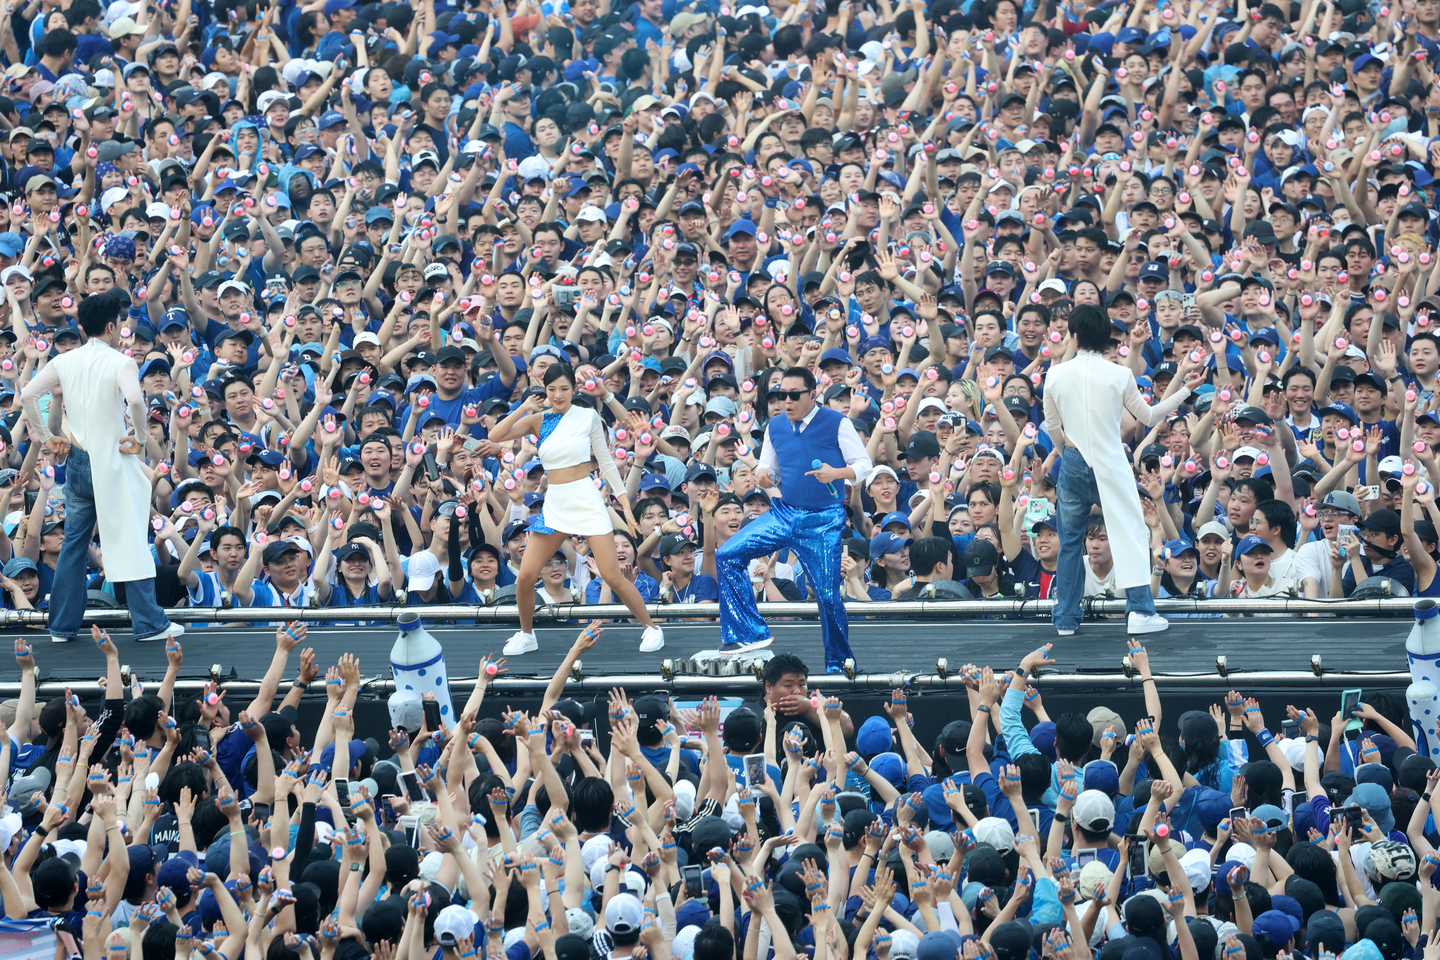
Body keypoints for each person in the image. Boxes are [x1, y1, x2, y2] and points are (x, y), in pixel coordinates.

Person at [19, 289, 180, 644]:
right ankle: (149, 624)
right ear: (111, 326)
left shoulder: (64, 360)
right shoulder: (120, 362)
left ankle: (61, 626)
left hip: (78, 459)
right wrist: (139, 437)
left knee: (74, 544)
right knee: (131, 540)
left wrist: (47, 436)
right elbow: (137, 400)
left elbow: (27, 394)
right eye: (120, 321)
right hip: (113, 462)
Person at [1043, 305, 1201, 636]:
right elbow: (1149, 416)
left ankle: (1065, 620)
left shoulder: (1055, 374)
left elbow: (1053, 427)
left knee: (1070, 542)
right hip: (1110, 461)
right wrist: (1185, 390)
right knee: (1131, 532)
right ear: (1107, 339)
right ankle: (1140, 612)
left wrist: (1067, 455)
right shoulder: (1120, 374)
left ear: (1073, 336)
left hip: (1072, 459)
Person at [486, 364, 665, 656]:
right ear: (545, 391)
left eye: (564, 388)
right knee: (527, 576)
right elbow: (495, 434)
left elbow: (606, 462)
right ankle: (527, 634)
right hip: (555, 502)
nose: (558, 395)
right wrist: (524, 406)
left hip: (585, 498)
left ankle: (651, 627)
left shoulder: (588, 416)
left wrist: (626, 508)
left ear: (574, 389)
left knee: (612, 575)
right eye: (552, 389)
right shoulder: (538, 419)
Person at [714, 366, 872, 670]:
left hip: (823, 520)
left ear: (812, 395)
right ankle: (748, 633)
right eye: (780, 395)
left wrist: (837, 473)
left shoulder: (837, 423)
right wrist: (763, 475)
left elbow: (865, 464)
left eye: (793, 395)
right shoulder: (775, 426)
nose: (786, 401)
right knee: (727, 555)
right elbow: (768, 467)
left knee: (827, 596)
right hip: (785, 513)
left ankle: (839, 665)